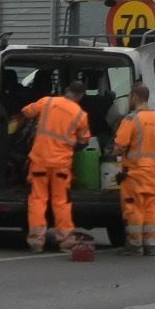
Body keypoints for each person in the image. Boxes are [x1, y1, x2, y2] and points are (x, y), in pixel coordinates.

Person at [17, 79, 92, 253]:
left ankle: (36, 240)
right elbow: (84, 140)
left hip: (40, 161)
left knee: (38, 200)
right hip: (61, 165)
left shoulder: (47, 101)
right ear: (80, 96)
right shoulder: (81, 114)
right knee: (61, 201)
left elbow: (26, 112)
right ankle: (65, 239)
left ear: (66, 90)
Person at [112, 83, 155, 256]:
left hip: (135, 173)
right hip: (154, 173)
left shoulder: (131, 119)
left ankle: (135, 244)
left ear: (135, 97)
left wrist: (114, 151)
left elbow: (120, 146)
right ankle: (151, 244)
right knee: (151, 209)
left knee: (133, 208)